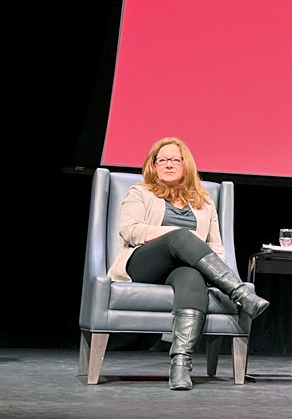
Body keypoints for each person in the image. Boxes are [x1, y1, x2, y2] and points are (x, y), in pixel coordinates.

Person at [107, 137, 270, 390]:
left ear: (186, 165)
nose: (168, 165)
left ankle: (180, 365)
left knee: (191, 277)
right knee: (180, 236)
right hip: (144, 264)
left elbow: (215, 247)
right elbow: (130, 230)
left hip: (182, 268)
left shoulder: (204, 202)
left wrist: (204, 268)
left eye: (175, 160)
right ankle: (239, 292)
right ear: (154, 165)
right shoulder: (140, 192)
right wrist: (173, 232)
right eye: (162, 160)